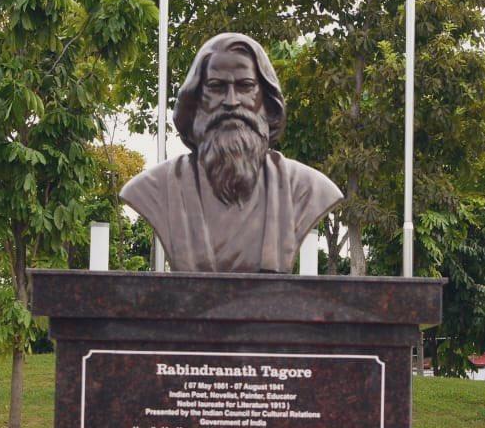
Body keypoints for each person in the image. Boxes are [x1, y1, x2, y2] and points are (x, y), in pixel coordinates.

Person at [119, 32, 342, 273]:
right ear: (195, 100)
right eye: (216, 87)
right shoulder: (155, 188)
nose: (231, 101)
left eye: (245, 86)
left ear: (266, 101)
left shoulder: (306, 188)